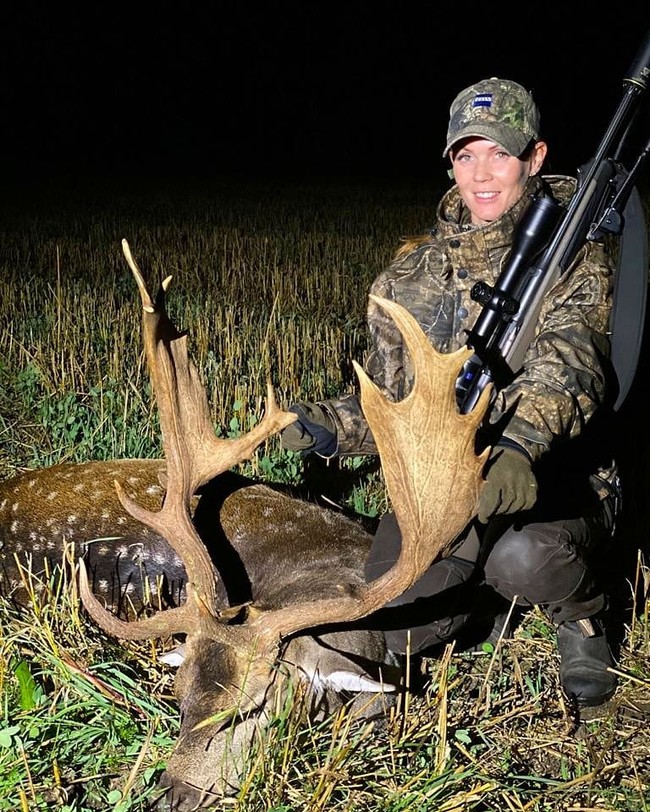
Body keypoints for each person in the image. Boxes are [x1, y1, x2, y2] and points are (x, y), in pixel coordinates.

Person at [281, 77, 621, 709]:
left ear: (535, 158)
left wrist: (518, 448)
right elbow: (394, 403)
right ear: (450, 164)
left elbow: (571, 367)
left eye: (500, 153)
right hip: (441, 489)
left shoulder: (574, 256)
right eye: (466, 156)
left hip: (546, 475)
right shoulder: (408, 276)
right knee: (391, 617)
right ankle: (479, 610)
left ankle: (582, 618)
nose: (481, 174)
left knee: (522, 558)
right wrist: (324, 424)